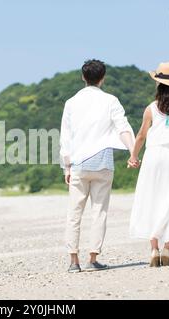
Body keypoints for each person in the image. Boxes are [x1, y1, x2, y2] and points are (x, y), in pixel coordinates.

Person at [60, 59, 136, 273]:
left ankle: (74, 261)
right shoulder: (111, 100)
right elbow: (123, 127)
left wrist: (66, 166)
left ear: (83, 77)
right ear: (102, 78)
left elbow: (65, 138)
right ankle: (93, 259)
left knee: (74, 212)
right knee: (99, 212)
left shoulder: (71, 102)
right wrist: (133, 152)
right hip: (102, 163)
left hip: (78, 164)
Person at [128, 62, 169, 267]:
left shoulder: (151, 108)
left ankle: (153, 250)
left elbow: (141, 135)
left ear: (159, 84)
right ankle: (167, 249)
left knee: (151, 200)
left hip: (154, 156)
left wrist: (133, 156)